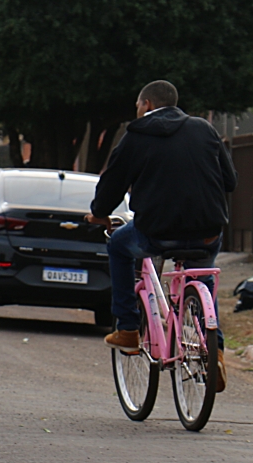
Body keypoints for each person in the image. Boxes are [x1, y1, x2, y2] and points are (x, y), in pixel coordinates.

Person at [86, 80, 237, 392]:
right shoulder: (204, 129)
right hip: (207, 232)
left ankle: (128, 328)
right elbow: (230, 181)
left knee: (118, 245)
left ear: (148, 105)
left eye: (138, 106)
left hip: (156, 233)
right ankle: (215, 352)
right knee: (203, 278)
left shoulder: (136, 135)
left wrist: (98, 212)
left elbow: (112, 184)